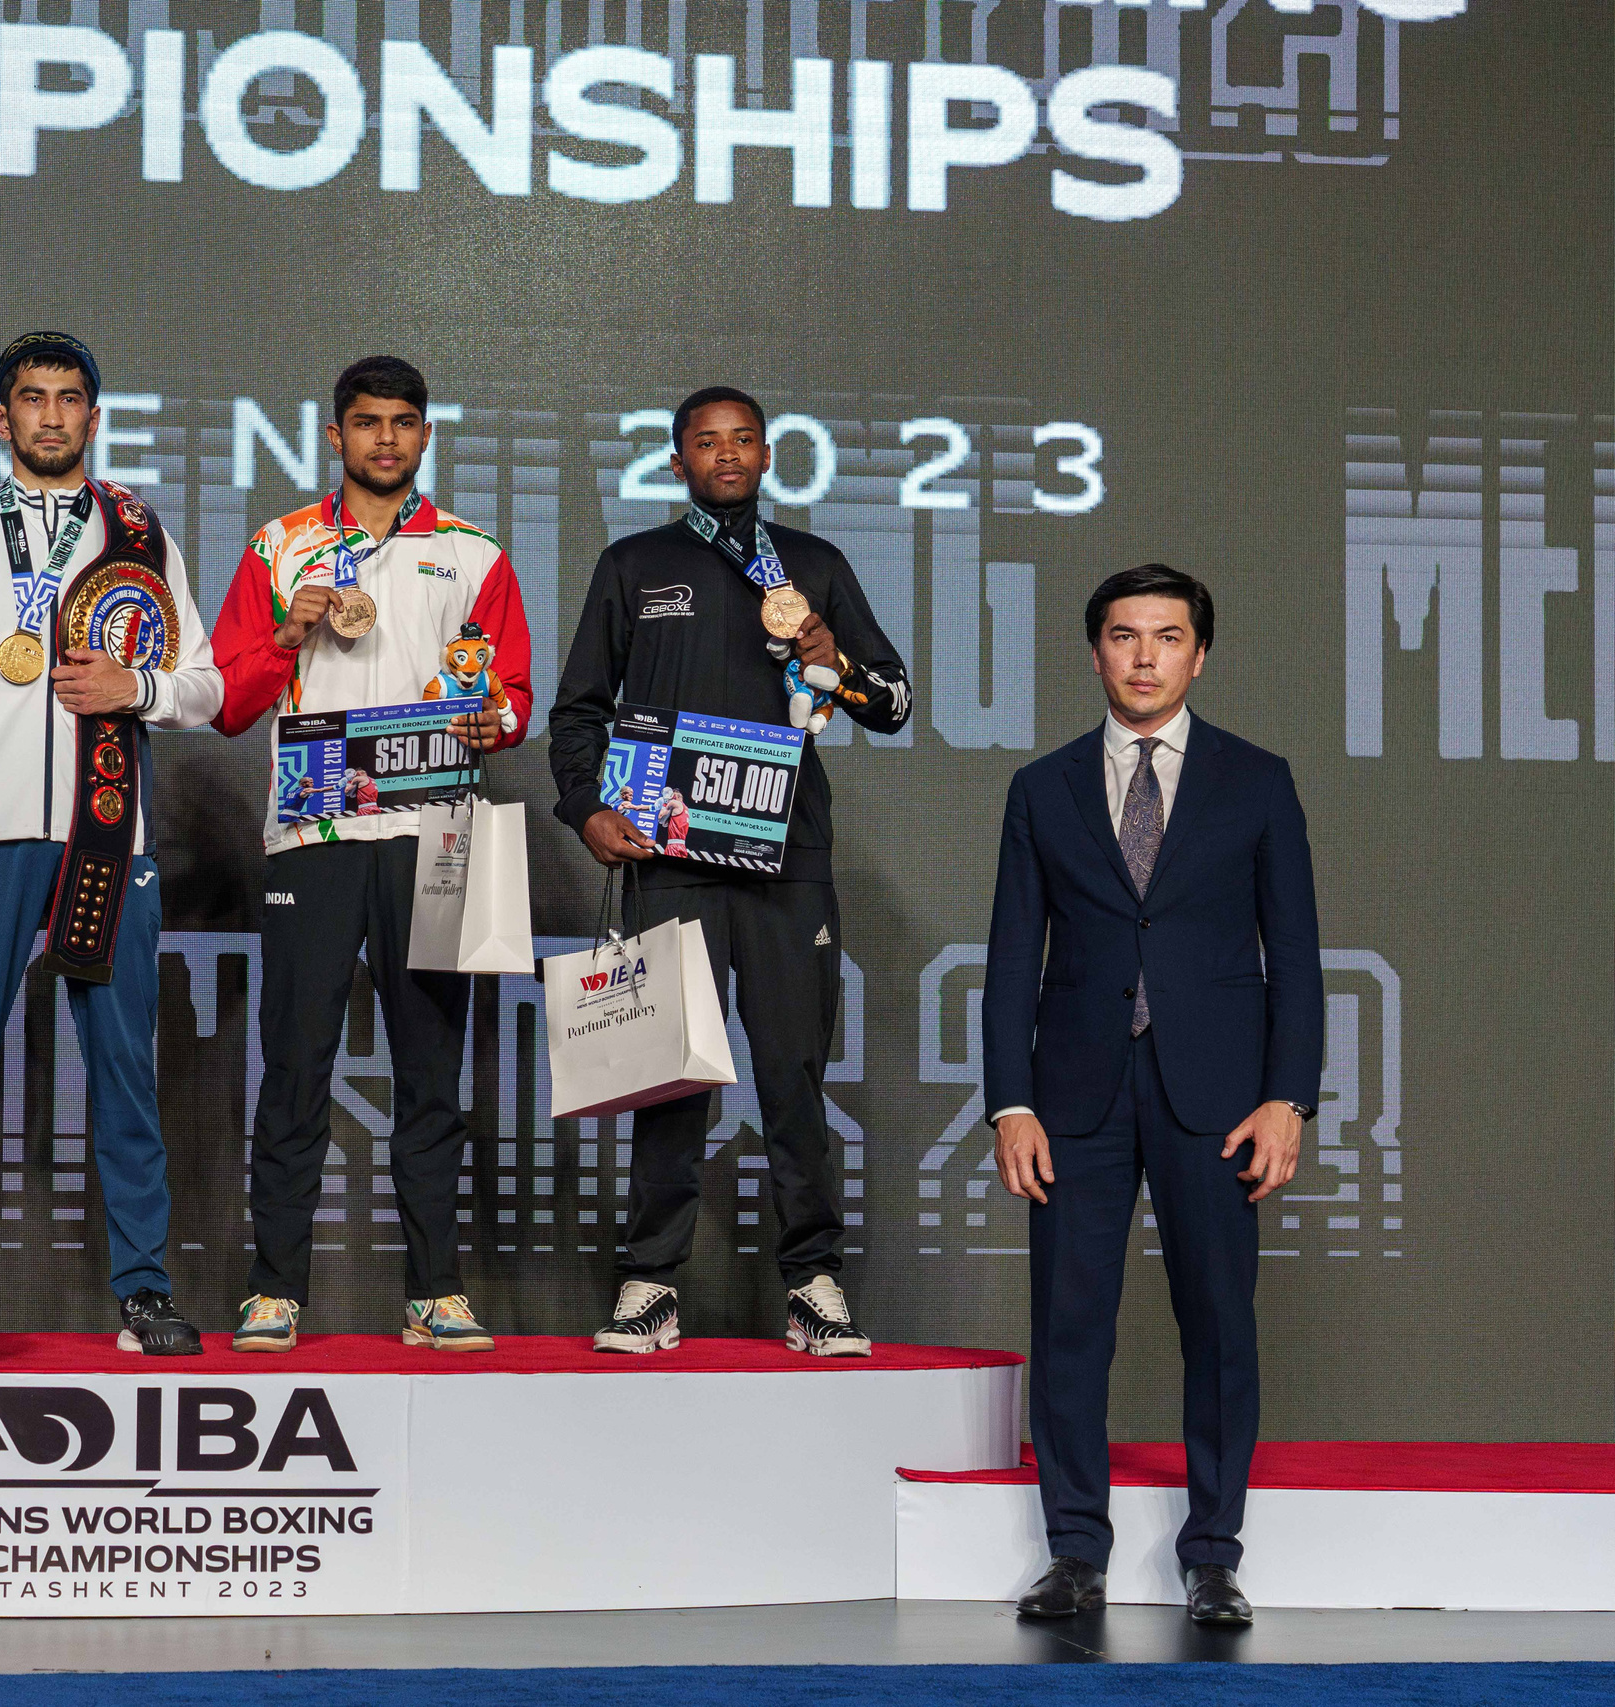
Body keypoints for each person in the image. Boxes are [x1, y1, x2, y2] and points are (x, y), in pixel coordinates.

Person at [0, 332, 222, 1355]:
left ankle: (143, 1292)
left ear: (94, 417)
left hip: (105, 837)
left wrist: (134, 687)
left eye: (70, 399)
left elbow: (204, 686)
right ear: (1, 416)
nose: (52, 415)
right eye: (33, 398)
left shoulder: (139, 535)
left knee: (124, 1073)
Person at [984, 565, 1321, 1627]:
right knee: (1070, 1323)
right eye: (1124, 635)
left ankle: (1213, 1556)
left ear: (1199, 655)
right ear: (1095, 652)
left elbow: (1295, 954)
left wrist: (1289, 1097)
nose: (1144, 656)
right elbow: (1011, 959)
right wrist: (1010, 1103)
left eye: (1167, 636)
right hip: (1072, 1096)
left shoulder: (1256, 780)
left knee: (1218, 1324)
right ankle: (1073, 1552)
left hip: (1217, 1096)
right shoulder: (1041, 787)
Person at [548, 385, 910, 1356]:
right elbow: (577, 709)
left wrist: (838, 664)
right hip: (672, 855)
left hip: (787, 858)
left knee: (794, 1077)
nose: (727, 454)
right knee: (670, 1074)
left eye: (743, 438)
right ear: (678, 462)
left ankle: (813, 1283)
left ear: (767, 453)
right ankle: (650, 1282)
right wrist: (585, 807)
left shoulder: (813, 566)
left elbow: (895, 701)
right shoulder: (635, 565)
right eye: (706, 442)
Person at [207, 355, 534, 1354]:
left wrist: (494, 719)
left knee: (432, 1070)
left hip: (436, 834)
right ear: (335, 435)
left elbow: (513, 699)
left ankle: (436, 1292)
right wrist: (284, 633)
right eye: (366, 422)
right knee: (295, 1066)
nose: (385, 439)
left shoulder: (473, 554)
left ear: (425, 435)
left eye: (402, 422)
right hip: (317, 834)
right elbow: (227, 702)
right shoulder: (279, 546)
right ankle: (274, 1290)